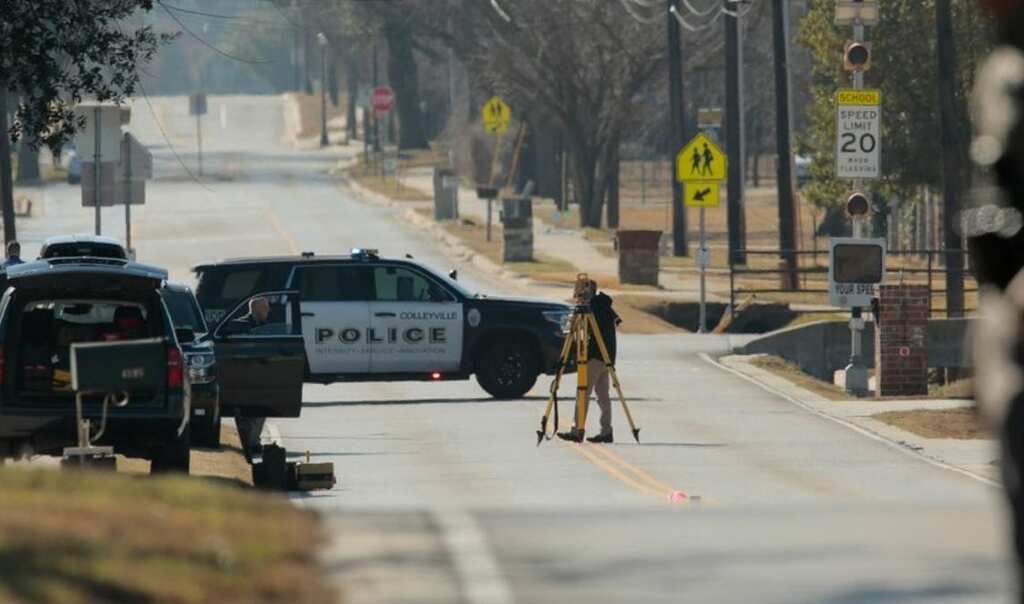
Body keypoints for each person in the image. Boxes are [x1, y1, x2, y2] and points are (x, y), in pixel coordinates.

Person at [559, 280, 620, 444]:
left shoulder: (593, 309)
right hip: (606, 358)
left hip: (594, 356)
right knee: (602, 396)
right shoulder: (603, 305)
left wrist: (575, 320)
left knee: (582, 393)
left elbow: (581, 330)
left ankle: (576, 430)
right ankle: (606, 431)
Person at [227, 297, 271, 461]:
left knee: (261, 409)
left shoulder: (267, 326)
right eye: (266, 308)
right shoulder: (239, 325)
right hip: (243, 375)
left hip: (261, 375)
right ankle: (247, 443)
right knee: (244, 412)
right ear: (258, 309)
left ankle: (253, 441)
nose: (268, 311)